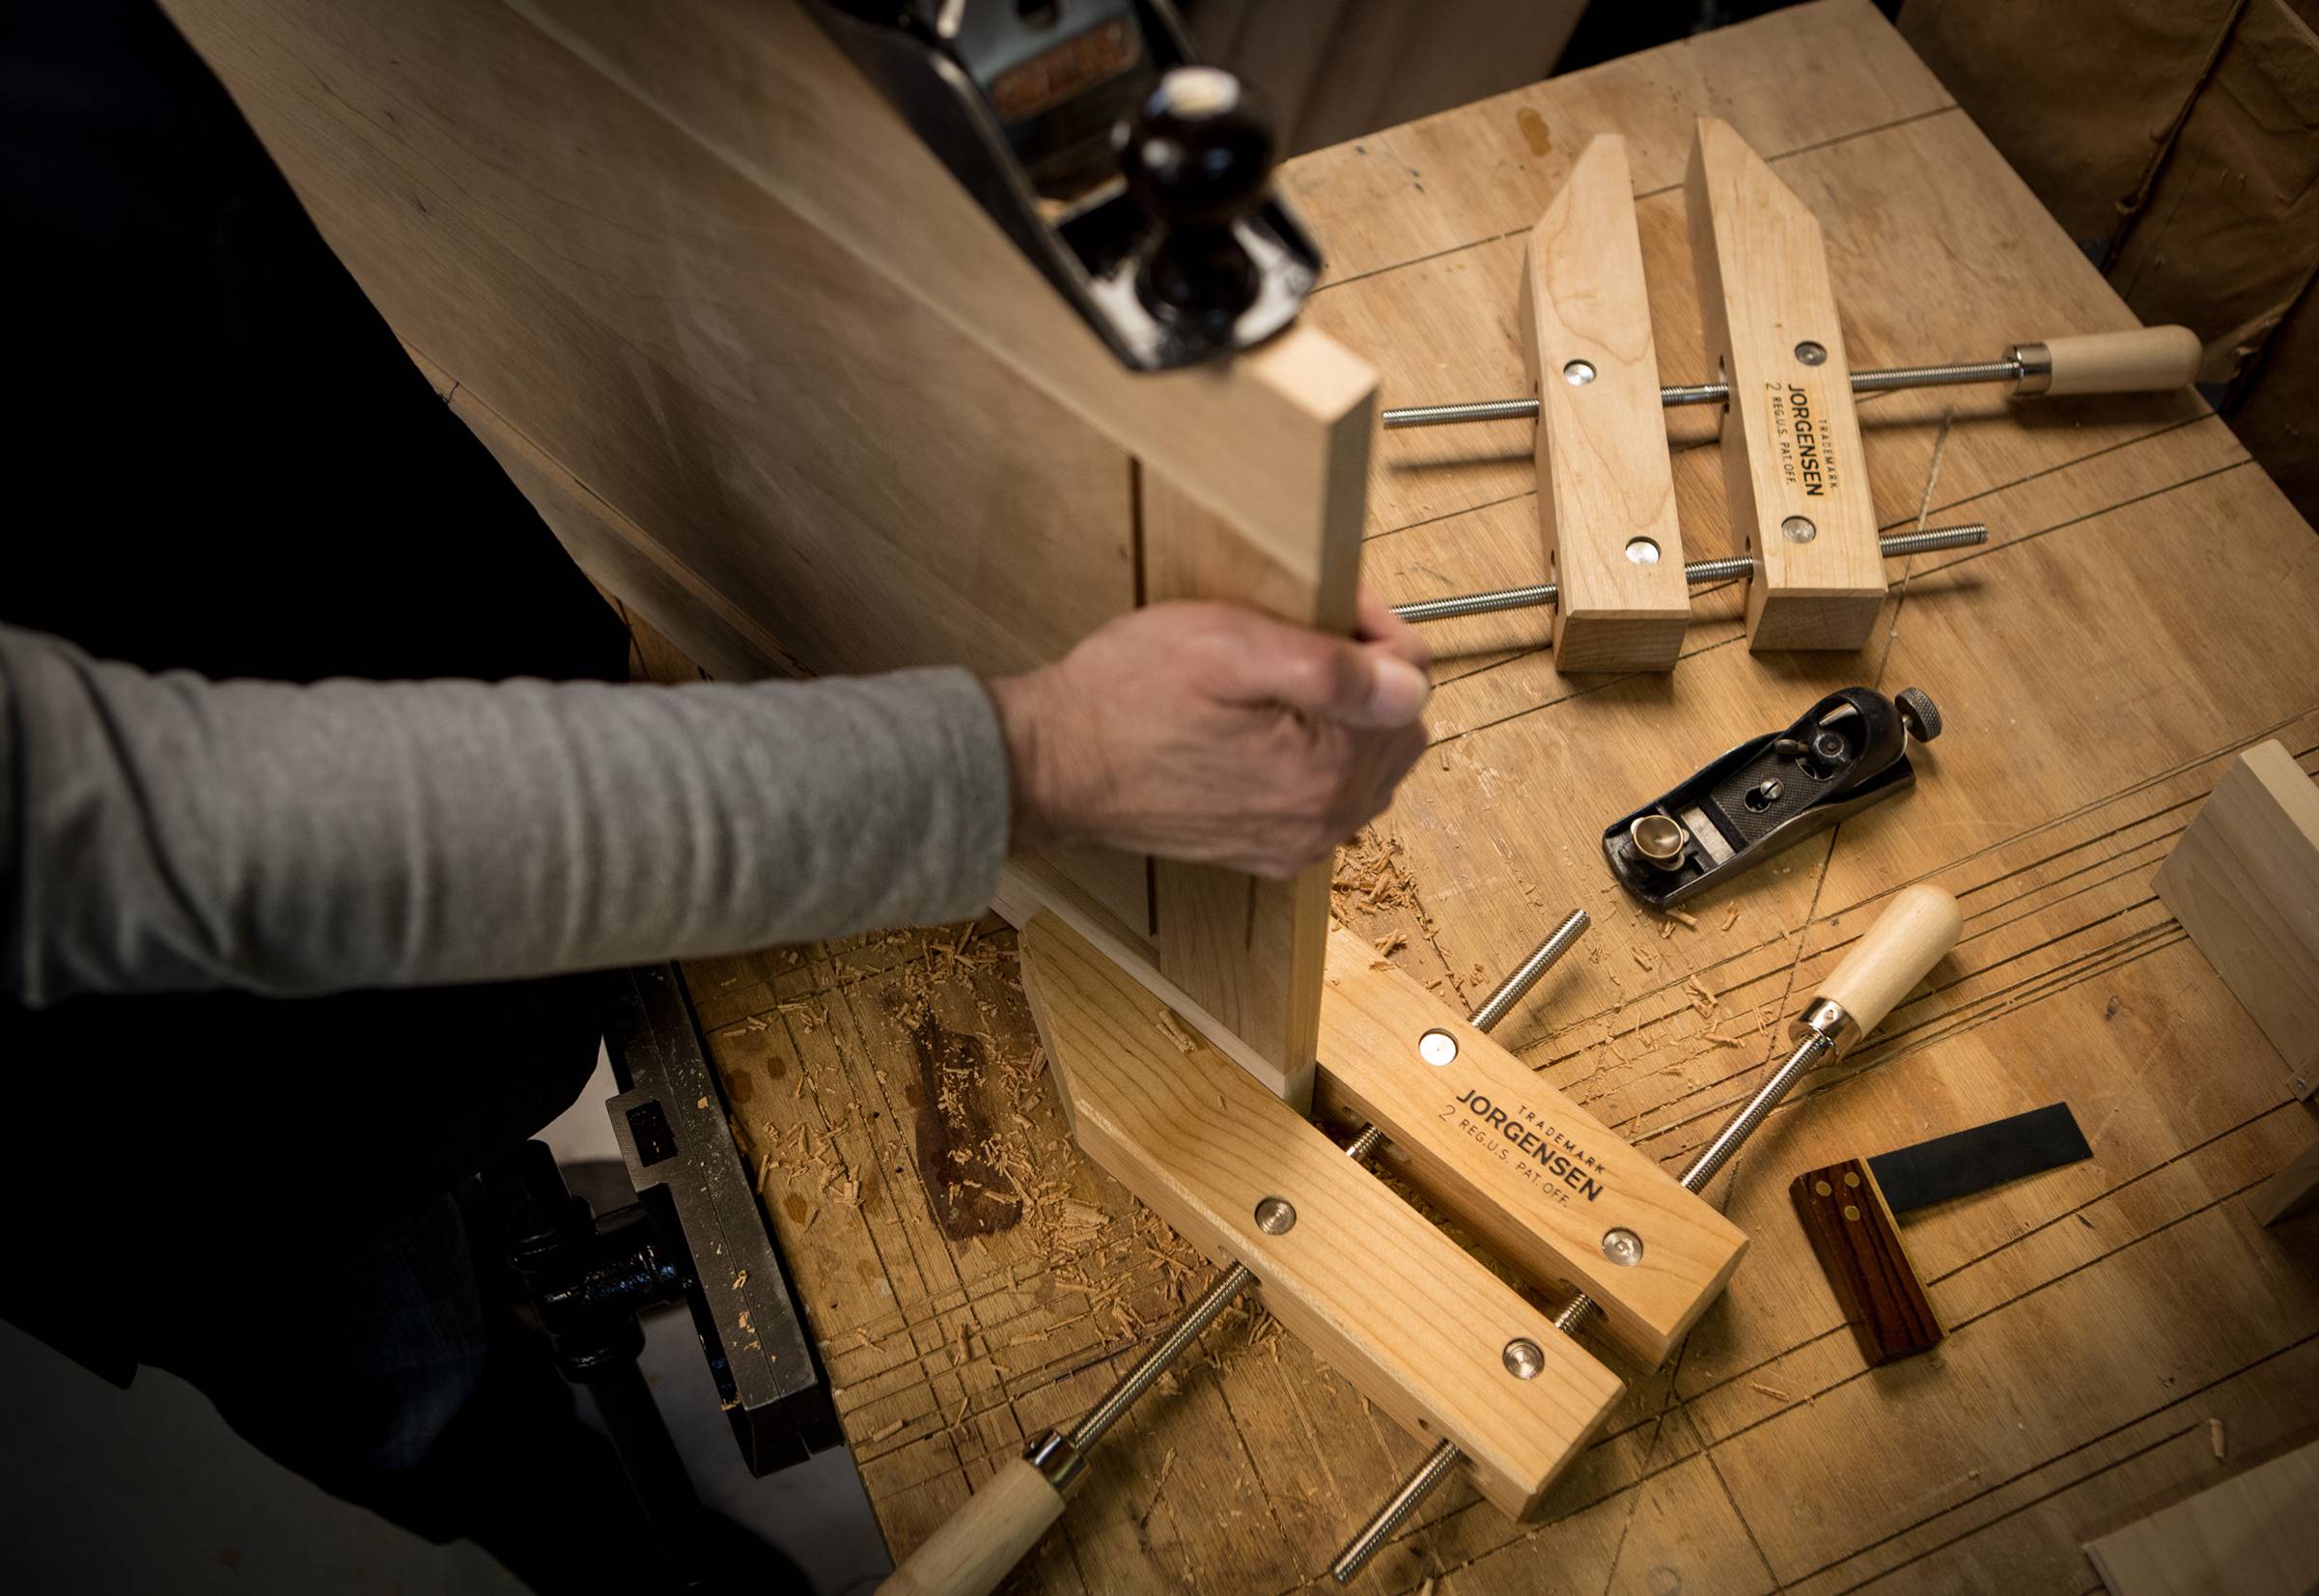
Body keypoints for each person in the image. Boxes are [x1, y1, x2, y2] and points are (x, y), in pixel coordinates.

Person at [0, 2, 1429, 1589]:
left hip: (320, 493)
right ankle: (593, 1537)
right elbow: (195, 832)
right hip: (162, 1079)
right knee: (408, 1375)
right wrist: (1046, 758)